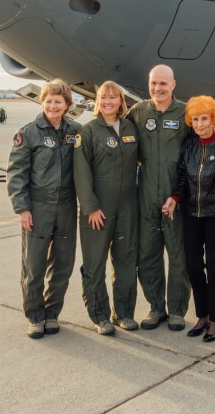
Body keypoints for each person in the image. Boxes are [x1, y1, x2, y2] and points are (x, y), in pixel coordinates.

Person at [7, 79, 82, 339]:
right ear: (43, 102)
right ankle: (35, 316)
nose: (53, 105)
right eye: (48, 101)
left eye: (58, 101)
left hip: (67, 207)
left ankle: (52, 313)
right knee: (34, 265)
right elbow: (16, 173)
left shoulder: (76, 131)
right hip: (38, 207)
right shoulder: (29, 133)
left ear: (67, 104)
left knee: (63, 263)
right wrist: (22, 208)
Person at [162, 96, 215, 343]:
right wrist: (175, 197)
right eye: (195, 119)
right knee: (193, 266)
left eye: (204, 118)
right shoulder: (190, 145)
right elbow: (183, 177)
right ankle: (202, 315)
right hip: (191, 214)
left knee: (214, 268)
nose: (200, 124)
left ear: (213, 119)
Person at [128, 65, 191, 332]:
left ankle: (177, 310)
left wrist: (181, 193)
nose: (158, 88)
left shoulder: (186, 112)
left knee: (179, 255)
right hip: (146, 194)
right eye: (154, 83)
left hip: (175, 195)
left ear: (174, 84)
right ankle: (156, 308)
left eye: (164, 84)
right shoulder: (138, 112)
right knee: (148, 255)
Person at [73, 81, 140, 335]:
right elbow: (81, 174)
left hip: (127, 208)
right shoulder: (88, 132)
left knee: (125, 261)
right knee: (95, 264)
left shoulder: (130, 128)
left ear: (121, 102)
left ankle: (123, 313)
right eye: (104, 98)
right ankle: (99, 315)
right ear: (97, 102)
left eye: (114, 98)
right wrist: (90, 207)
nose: (108, 102)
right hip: (98, 210)